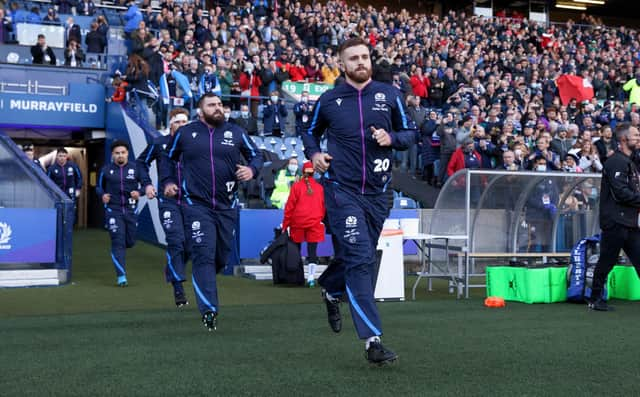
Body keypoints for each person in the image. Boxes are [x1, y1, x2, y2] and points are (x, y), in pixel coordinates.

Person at [303, 37, 417, 364]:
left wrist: (392, 138)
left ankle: (330, 288)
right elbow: (309, 132)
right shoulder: (328, 100)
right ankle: (373, 340)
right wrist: (315, 154)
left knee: (362, 256)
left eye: (364, 57)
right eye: (353, 58)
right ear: (342, 64)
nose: (360, 62)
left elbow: (410, 135)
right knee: (359, 257)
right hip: (342, 191)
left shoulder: (389, 95)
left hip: (379, 195)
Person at [166, 93, 263, 331]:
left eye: (220, 104)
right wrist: (168, 181)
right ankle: (209, 310)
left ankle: (208, 280)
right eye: (212, 105)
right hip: (196, 205)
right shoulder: (186, 134)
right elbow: (168, 158)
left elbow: (257, 156)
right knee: (203, 254)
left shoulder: (236, 132)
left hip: (226, 207)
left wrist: (251, 170)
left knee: (220, 256)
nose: (218, 108)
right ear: (201, 111)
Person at [136, 108, 190, 307]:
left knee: (189, 246)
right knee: (176, 240)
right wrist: (148, 184)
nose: (181, 126)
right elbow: (141, 163)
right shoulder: (159, 143)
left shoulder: (194, 146)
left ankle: (172, 269)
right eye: (178, 122)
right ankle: (178, 288)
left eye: (185, 122)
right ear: (171, 125)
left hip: (192, 201)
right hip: (168, 202)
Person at [589, 123, 640, 311]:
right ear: (624, 139)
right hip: (615, 222)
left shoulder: (632, 161)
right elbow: (621, 193)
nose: (639, 138)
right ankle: (595, 299)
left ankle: (595, 298)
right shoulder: (616, 162)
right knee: (607, 261)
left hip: (630, 222)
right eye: (636, 135)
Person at [96, 140, 150, 287]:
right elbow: (98, 187)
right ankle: (121, 276)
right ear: (112, 155)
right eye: (117, 153)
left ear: (127, 154)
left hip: (131, 210)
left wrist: (139, 192)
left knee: (130, 242)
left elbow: (146, 185)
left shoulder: (136, 168)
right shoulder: (106, 170)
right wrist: (102, 195)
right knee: (117, 242)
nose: (120, 155)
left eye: (123, 153)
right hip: (113, 210)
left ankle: (122, 245)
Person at [281, 161, 326, 287]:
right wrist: (318, 218)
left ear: (303, 172)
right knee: (313, 252)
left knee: (296, 250)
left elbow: (290, 207)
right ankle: (311, 278)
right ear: (314, 172)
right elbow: (323, 208)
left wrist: (285, 224)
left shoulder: (296, 186)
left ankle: (297, 277)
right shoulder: (320, 188)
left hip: (298, 222)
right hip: (314, 223)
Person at [47, 148, 83, 224]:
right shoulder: (51, 169)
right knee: (58, 216)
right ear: (57, 156)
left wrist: (78, 189)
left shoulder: (73, 166)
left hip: (70, 194)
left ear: (67, 156)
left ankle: (69, 230)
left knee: (70, 215)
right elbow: (47, 182)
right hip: (57, 195)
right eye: (60, 156)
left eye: (64, 156)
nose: (62, 158)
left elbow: (79, 177)